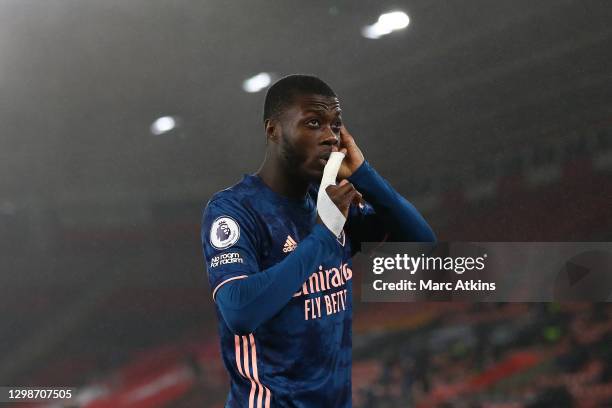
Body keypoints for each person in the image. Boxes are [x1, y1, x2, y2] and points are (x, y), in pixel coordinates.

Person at [201, 74, 435, 407]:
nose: (329, 136)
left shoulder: (327, 201)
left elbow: (422, 243)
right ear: (273, 130)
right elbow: (239, 311)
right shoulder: (234, 209)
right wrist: (324, 237)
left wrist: (364, 173)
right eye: (313, 123)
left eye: (335, 125)